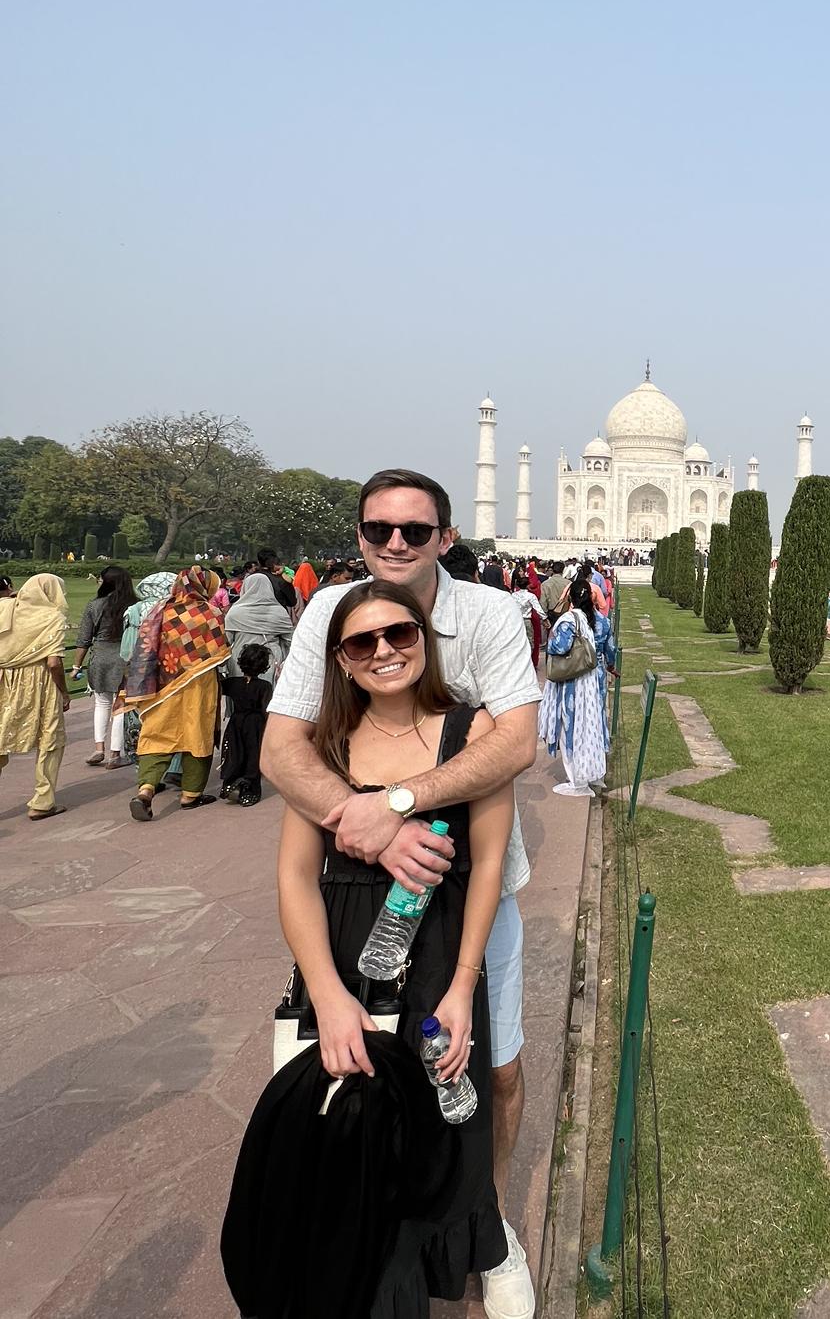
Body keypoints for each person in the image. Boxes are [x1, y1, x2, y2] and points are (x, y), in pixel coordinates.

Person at [260, 468, 540, 1318]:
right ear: (359, 537)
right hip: (351, 908)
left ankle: (484, 1227)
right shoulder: (326, 613)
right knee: (368, 1085)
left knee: (490, 1073)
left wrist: (400, 802)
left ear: (444, 539)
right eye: (377, 529)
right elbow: (283, 751)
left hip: (461, 905)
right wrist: (362, 816)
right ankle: (387, 1233)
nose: (394, 544)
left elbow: (514, 745)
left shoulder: (487, 614)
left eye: (414, 531)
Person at [121, 565, 230, 821]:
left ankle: (146, 790)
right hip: (199, 685)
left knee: (157, 733)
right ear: (203, 586)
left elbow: (147, 646)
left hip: (164, 684)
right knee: (197, 734)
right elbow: (220, 650)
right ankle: (190, 794)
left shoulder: (160, 610)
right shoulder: (211, 613)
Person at [0, 574, 71, 820]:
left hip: (3, 679)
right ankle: (42, 802)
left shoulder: (4, 607)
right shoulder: (53, 617)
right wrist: (64, 692)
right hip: (40, 681)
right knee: (49, 740)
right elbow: (54, 663)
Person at [537, 573, 613, 797]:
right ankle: (593, 771)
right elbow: (610, 650)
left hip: (572, 681)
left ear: (570, 597)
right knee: (592, 725)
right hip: (592, 676)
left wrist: (550, 641)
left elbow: (559, 648)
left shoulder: (570, 620)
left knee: (572, 727)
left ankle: (578, 779)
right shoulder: (600, 620)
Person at [71, 564, 136, 768]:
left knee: (102, 703)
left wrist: (76, 666)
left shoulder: (95, 605)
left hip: (99, 656)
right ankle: (115, 754)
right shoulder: (134, 606)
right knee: (121, 705)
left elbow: (83, 639)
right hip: (125, 657)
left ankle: (99, 748)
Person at [219, 641, 273, 804]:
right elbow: (266, 709)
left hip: (236, 721)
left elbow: (218, 686)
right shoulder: (264, 686)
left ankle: (231, 781)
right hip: (255, 724)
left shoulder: (233, 683)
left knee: (235, 752)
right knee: (253, 754)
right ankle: (249, 788)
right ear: (264, 666)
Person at [225, 570, 295, 682]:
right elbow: (290, 642)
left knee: (239, 694)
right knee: (266, 695)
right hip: (268, 663)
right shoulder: (279, 612)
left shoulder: (235, 612)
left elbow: (226, 643)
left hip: (240, 663)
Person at [509, 575, 546, 671]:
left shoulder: (513, 595)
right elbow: (538, 609)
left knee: (517, 641)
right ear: (528, 585)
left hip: (516, 621)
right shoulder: (531, 596)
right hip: (527, 621)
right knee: (530, 643)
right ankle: (528, 662)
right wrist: (545, 619)